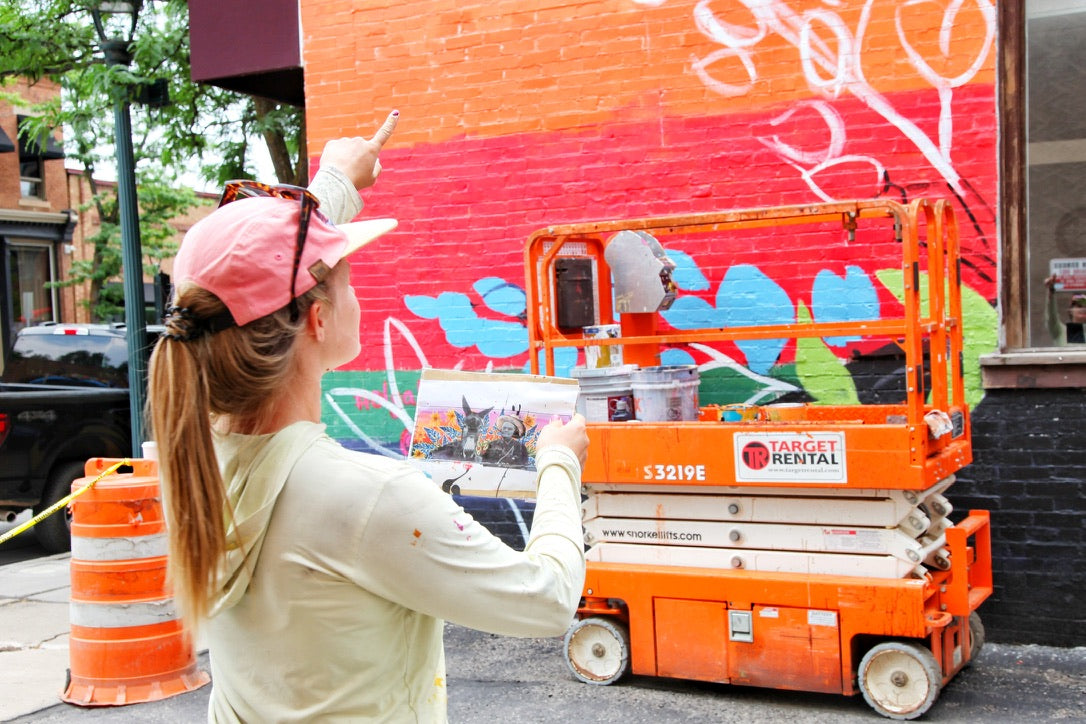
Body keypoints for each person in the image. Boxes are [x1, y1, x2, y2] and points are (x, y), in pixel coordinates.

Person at [147, 111, 590, 723]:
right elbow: (546, 600)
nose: (360, 292)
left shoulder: (190, 462)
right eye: (349, 278)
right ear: (317, 320)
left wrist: (336, 185)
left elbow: (233, 275)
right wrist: (559, 463)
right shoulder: (369, 497)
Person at [1044, 274, 1086, 345]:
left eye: (1085, 306)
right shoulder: (1060, 331)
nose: (1083, 309)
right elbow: (1052, 316)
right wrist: (1051, 291)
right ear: (1071, 310)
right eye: (1079, 306)